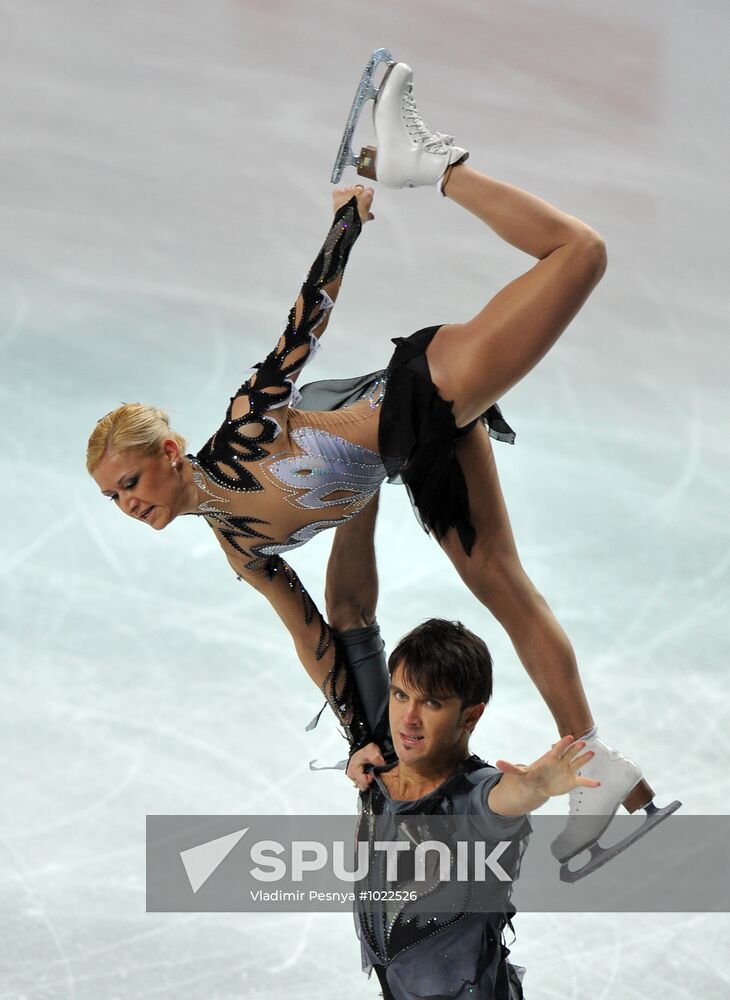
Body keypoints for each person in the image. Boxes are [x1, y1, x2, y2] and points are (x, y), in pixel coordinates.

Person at [86, 55, 673, 868]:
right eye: (113, 498)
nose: (127, 503)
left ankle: (431, 165)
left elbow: (302, 329)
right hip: (416, 453)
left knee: (580, 254)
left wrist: (348, 220)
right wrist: (368, 742)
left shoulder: (243, 432)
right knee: (505, 587)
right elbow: (319, 638)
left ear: (169, 452)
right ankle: (593, 764)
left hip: (414, 393)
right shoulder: (240, 548)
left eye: (129, 482)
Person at [340, 611, 598, 1000]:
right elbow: (350, 619)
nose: (408, 719)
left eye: (432, 703)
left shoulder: (470, 797)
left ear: (470, 716)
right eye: (400, 694)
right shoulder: (382, 758)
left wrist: (535, 789)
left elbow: (501, 801)